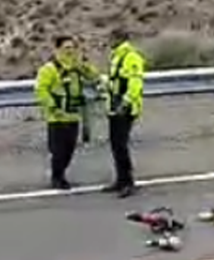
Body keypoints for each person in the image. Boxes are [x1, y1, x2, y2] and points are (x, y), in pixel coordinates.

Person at [34, 37, 99, 190]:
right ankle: (57, 177)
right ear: (57, 49)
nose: (69, 51)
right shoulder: (49, 69)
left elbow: (94, 76)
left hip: (73, 114)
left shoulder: (76, 67)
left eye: (72, 47)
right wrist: (52, 107)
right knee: (58, 150)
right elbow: (41, 90)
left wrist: (85, 65)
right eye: (66, 47)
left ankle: (61, 173)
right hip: (57, 116)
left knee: (70, 148)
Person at [104, 36, 146, 198]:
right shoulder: (116, 57)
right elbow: (115, 82)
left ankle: (128, 182)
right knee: (116, 145)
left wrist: (125, 103)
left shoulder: (131, 57)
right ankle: (120, 180)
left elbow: (135, 84)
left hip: (125, 109)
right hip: (115, 107)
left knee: (121, 145)